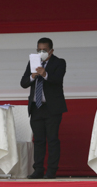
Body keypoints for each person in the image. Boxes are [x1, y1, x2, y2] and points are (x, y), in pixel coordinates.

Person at [20, 37, 67, 179]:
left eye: (44, 50)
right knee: (38, 140)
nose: (41, 52)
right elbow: (23, 83)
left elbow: (57, 79)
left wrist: (44, 74)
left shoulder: (59, 62)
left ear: (51, 51)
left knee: (52, 139)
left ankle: (51, 170)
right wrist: (33, 76)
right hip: (36, 107)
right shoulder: (32, 62)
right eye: (39, 50)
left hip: (52, 108)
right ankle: (38, 169)